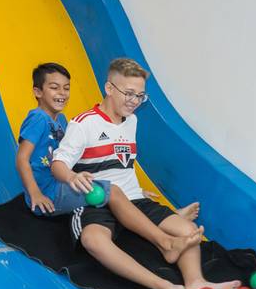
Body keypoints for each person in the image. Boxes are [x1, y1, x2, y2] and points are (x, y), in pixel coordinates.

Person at [51, 58, 241, 289]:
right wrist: (72, 176)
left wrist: (138, 190)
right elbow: (58, 163)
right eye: (129, 93)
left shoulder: (132, 120)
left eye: (140, 96)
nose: (134, 101)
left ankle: (196, 282)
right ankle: (165, 286)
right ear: (109, 88)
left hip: (133, 200)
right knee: (93, 240)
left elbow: (121, 164)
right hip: (96, 201)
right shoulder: (83, 124)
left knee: (188, 231)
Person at [16, 62, 201, 265]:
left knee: (113, 195)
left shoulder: (60, 120)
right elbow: (23, 158)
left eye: (66, 88)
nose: (62, 93)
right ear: (37, 91)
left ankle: (164, 218)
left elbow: (78, 161)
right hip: (49, 192)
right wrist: (35, 193)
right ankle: (164, 239)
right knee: (111, 193)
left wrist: (135, 191)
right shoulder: (39, 118)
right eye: (54, 87)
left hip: (58, 185)